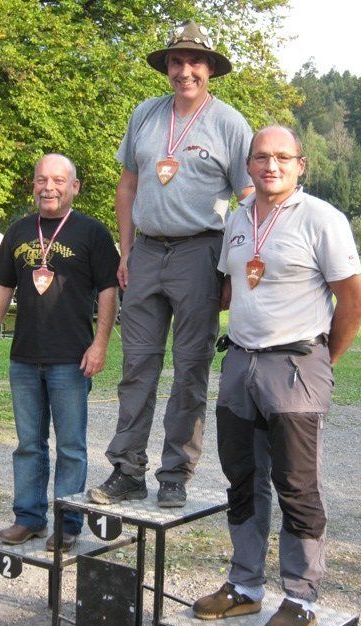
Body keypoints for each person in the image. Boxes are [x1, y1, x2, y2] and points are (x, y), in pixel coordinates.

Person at [192, 126, 361, 626]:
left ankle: (300, 597)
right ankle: (245, 586)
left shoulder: (322, 219)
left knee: (296, 485)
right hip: (240, 365)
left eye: (283, 157)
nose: (272, 165)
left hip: (295, 366)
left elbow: (355, 301)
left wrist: (321, 361)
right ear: (248, 165)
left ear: (300, 164)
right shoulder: (238, 219)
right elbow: (230, 290)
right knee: (242, 479)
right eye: (262, 157)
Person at [87, 20, 253, 509]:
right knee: (137, 366)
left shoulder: (229, 123)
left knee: (190, 368)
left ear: (210, 69)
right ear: (166, 68)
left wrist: (234, 268)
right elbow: (127, 187)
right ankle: (127, 470)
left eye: (195, 62)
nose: (185, 71)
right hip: (146, 251)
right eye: (176, 62)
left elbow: (249, 198)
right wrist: (126, 250)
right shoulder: (145, 114)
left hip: (200, 253)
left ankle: (175, 474)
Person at [0, 154, 119, 552]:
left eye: (58, 180)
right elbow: (2, 285)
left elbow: (109, 289)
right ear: (33, 185)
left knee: (71, 447)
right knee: (28, 445)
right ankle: (29, 518)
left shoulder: (92, 232)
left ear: (74, 187)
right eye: (42, 180)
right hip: (24, 357)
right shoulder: (19, 230)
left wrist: (100, 344)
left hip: (71, 358)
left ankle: (68, 524)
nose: (49, 187)